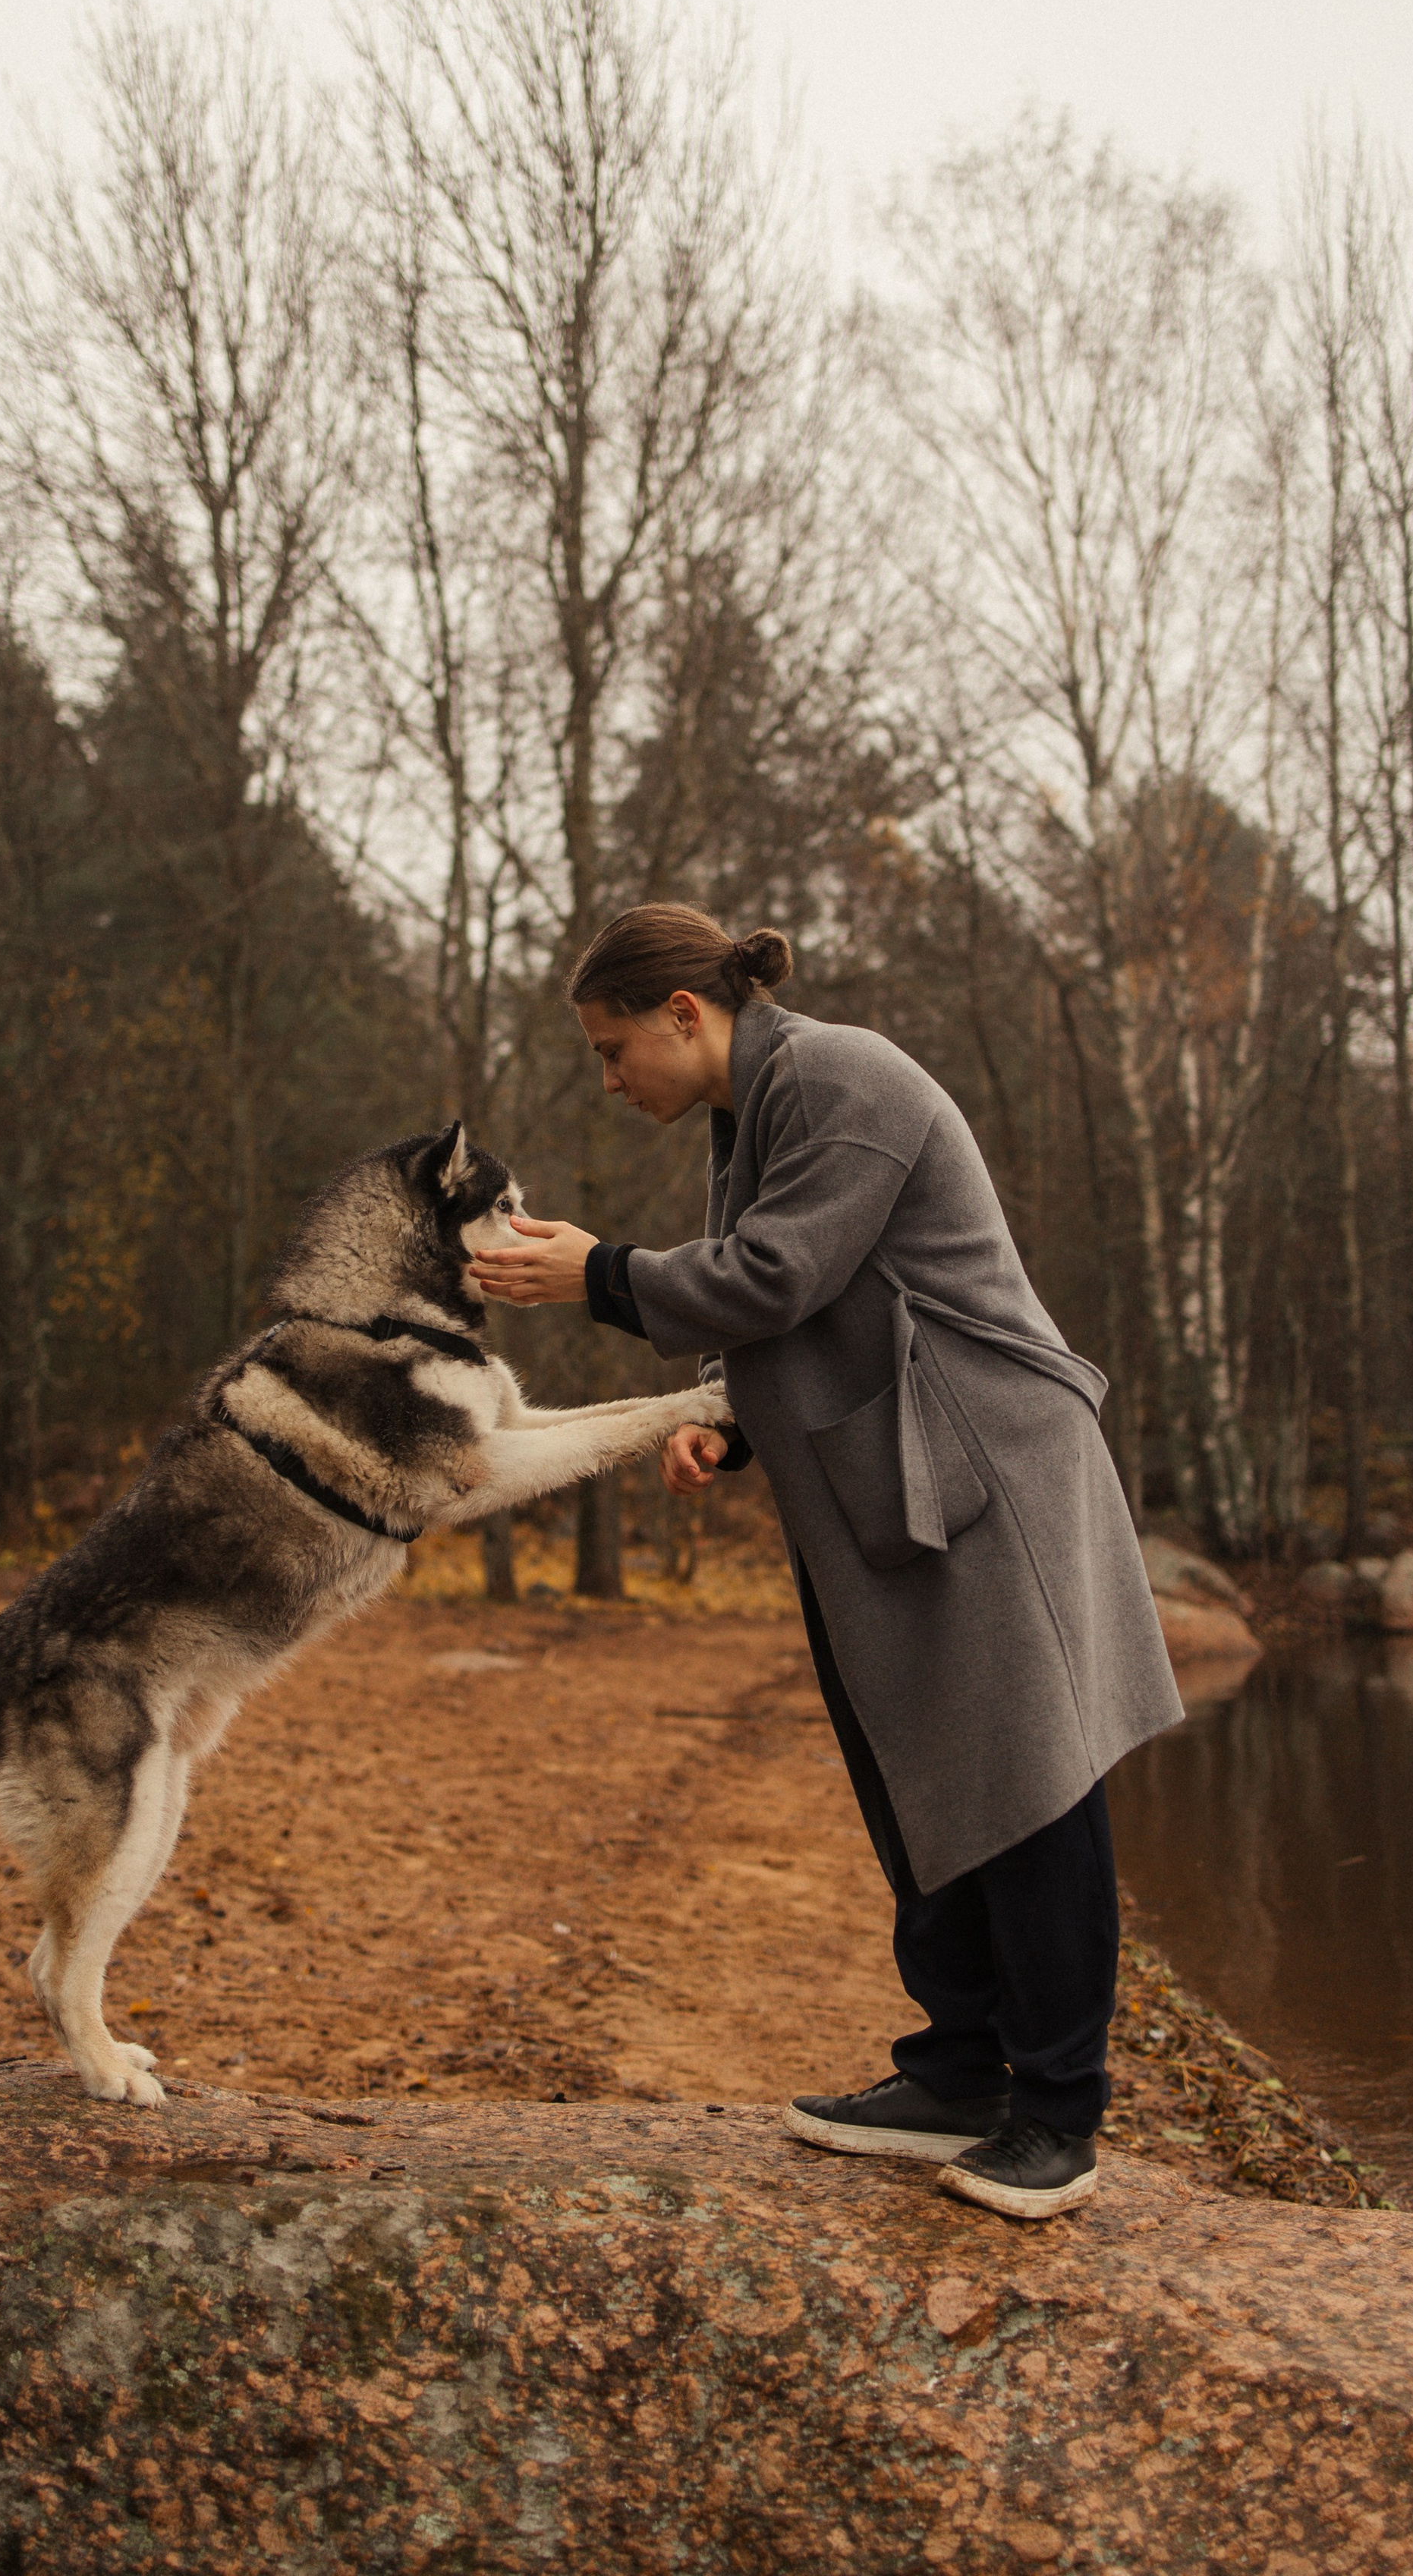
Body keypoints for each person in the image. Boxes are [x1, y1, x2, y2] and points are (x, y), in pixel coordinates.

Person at [472, 903, 1182, 2221]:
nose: (609, 1079)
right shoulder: (755, 1109)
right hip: (894, 1476)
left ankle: (1060, 2115)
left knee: (1028, 1781)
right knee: (918, 1776)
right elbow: (807, 1302)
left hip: (991, 1466)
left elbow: (779, 1273)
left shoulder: (839, 1074)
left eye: (613, 1049)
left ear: (686, 1014)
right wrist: (724, 1415)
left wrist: (602, 1275)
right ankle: (960, 2074)